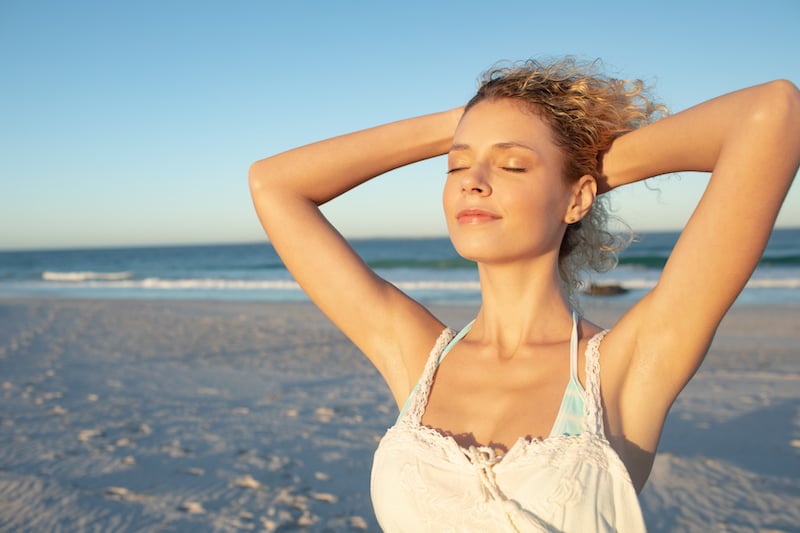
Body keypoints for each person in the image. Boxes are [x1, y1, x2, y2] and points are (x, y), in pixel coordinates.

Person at [248, 58, 800, 532]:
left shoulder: (626, 369)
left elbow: (772, 113)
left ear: (579, 199)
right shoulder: (416, 355)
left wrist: (576, 166)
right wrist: (473, 123)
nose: (472, 179)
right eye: (457, 163)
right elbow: (274, 183)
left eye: (512, 164)